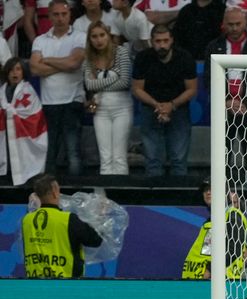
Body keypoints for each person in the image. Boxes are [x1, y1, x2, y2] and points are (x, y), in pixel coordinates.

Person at [203, 7, 247, 186]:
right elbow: (209, 78)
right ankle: (221, 184)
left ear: (245, 23)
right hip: (223, 107)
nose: (234, 28)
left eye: (238, 24)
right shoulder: (213, 46)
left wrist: (245, 103)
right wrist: (226, 101)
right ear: (223, 24)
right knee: (222, 149)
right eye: (230, 24)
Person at [132, 24, 197, 177]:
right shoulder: (143, 58)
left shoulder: (185, 57)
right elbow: (136, 89)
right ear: (151, 41)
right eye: (158, 41)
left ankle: (180, 198)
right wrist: (157, 105)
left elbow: (192, 89)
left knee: (179, 160)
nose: (162, 45)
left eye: (165, 40)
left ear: (172, 40)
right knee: (152, 160)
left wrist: (171, 105)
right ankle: (154, 199)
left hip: (179, 109)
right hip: (150, 108)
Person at [30, 0, 86, 176]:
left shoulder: (80, 36)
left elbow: (75, 63)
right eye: (56, 14)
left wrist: (47, 59)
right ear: (49, 15)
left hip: (73, 100)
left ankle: (77, 193)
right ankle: (48, 193)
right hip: (48, 102)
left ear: (70, 14)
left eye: (64, 14)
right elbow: (34, 68)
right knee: (50, 152)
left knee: (73, 152)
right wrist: (64, 63)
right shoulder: (40, 39)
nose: (60, 18)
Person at [22, 174, 103, 278]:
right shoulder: (69, 219)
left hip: (35, 283)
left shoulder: (26, 220)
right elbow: (95, 240)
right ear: (55, 193)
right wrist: (98, 217)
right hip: (66, 285)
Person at [84, 21, 133, 175]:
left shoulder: (121, 52)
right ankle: (103, 198)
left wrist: (99, 84)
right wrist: (113, 78)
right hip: (101, 109)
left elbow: (125, 82)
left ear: (108, 36)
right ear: (90, 39)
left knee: (119, 157)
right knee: (105, 158)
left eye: (102, 35)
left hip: (122, 107)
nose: (99, 40)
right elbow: (89, 85)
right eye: (94, 37)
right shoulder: (89, 58)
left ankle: (121, 195)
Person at [182, 177, 247, 279]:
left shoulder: (232, 215)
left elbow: (234, 249)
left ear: (224, 191)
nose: (208, 192)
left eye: (212, 189)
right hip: (199, 281)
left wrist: (210, 270)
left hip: (218, 280)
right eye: (205, 190)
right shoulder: (212, 219)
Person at [0, 57, 48, 186]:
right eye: (11, 70)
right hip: (5, 134)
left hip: (23, 134)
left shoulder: (28, 91)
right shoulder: (1, 91)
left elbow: (33, 113)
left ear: (23, 72)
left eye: (17, 69)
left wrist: (10, 112)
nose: (14, 73)